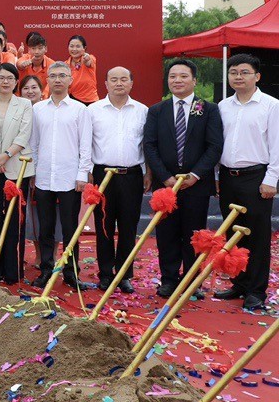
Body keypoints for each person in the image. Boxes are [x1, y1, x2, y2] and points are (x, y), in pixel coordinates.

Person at [143, 59, 223, 298]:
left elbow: (214, 146)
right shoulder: (157, 110)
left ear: (194, 80)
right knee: (166, 233)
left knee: (194, 235)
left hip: (196, 185)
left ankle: (191, 281)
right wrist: (165, 177)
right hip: (165, 185)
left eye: (183, 76)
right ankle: (168, 280)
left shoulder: (208, 109)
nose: (177, 80)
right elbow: (150, 146)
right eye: (173, 76)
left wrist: (195, 175)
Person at [213, 54, 276, 311]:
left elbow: (277, 145)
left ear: (257, 76)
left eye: (244, 72)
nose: (238, 77)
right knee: (233, 234)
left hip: (257, 178)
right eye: (234, 72)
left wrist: (271, 179)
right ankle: (239, 282)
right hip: (228, 177)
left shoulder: (271, 106)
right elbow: (218, 144)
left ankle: (256, 291)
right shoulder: (223, 106)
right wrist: (217, 177)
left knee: (258, 236)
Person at [30, 61, 92, 290]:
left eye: (62, 75)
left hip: (70, 178)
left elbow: (85, 146)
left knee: (70, 228)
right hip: (44, 175)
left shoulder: (80, 110)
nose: (57, 79)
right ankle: (46, 269)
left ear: (70, 79)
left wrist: (82, 174)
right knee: (45, 227)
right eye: (53, 75)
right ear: (47, 79)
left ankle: (71, 272)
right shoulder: (37, 109)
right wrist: (34, 173)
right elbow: (33, 144)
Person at [88, 66, 148, 294]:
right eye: (114, 79)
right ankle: (105, 274)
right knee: (104, 226)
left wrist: (147, 173)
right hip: (102, 175)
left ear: (132, 83)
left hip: (131, 175)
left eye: (124, 79)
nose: (119, 83)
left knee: (128, 226)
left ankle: (124, 275)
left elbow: (146, 146)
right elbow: (86, 143)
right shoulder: (93, 110)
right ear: (106, 83)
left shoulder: (142, 110)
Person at [0, 63, 33, 284]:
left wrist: (5, 156)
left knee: (14, 221)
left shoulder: (25, 104)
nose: (5, 82)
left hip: (17, 167)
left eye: (10, 78)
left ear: (15, 81)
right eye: (1, 78)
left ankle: (12, 270)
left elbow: (24, 134)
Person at [17, 34, 53, 98]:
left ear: (46, 49)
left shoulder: (51, 64)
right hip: (22, 99)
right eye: (33, 48)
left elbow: (51, 83)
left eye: (40, 48)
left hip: (42, 99)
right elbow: (19, 64)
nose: (36, 52)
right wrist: (23, 65)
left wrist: (44, 96)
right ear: (29, 50)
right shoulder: (25, 58)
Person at [67, 35, 98, 104]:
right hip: (72, 99)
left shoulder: (89, 58)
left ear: (84, 48)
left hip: (90, 100)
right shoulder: (65, 64)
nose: (74, 49)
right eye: (71, 46)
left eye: (78, 46)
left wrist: (87, 58)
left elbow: (88, 62)